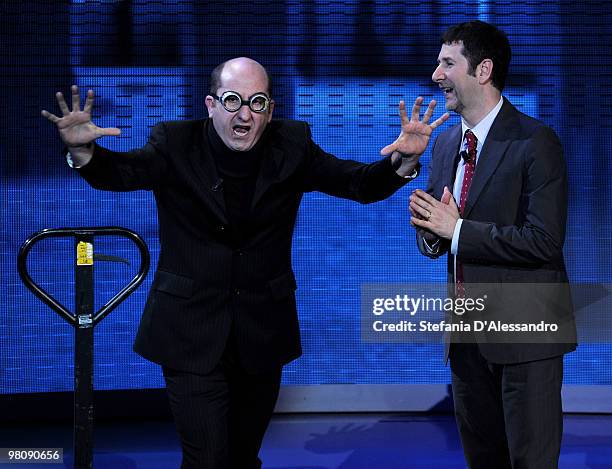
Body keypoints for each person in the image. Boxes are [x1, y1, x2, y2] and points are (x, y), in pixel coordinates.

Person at [42, 57, 448, 469]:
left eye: (256, 102)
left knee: (240, 457)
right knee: (208, 460)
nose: (244, 113)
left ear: (269, 109)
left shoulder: (292, 143)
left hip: (262, 332)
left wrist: (404, 162)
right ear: (211, 104)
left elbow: (357, 182)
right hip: (191, 333)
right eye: (233, 100)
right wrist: (84, 152)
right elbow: (123, 173)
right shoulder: (175, 142)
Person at [409, 21, 576, 469]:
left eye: (447, 63)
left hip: (527, 336)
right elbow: (439, 235)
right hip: (466, 338)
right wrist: (430, 233)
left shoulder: (535, 141)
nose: (435, 74)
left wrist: (457, 230)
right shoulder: (446, 144)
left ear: (483, 70)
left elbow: (543, 240)